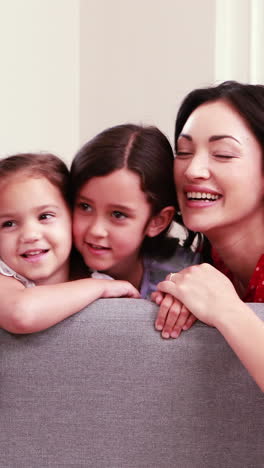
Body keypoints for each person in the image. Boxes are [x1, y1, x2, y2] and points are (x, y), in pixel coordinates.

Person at [154, 80, 264, 391]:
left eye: (223, 154)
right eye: (184, 152)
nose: (193, 170)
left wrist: (226, 310)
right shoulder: (203, 265)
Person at [0, 152, 141, 334]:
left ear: (72, 218)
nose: (29, 235)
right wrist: (100, 288)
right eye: (8, 224)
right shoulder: (5, 279)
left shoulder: (103, 283)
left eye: (45, 216)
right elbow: (21, 315)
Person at [70, 123, 201, 302]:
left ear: (157, 221)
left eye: (118, 214)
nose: (96, 230)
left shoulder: (184, 277)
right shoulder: (48, 266)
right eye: (85, 207)